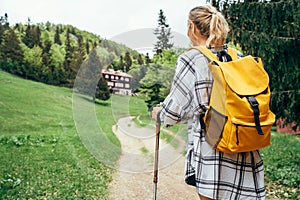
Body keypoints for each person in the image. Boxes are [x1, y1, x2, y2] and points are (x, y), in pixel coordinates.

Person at [152, 4, 265, 200]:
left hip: (214, 151)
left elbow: (174, 111)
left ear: (193, 28)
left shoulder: (192, 58)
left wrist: (159, 114)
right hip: (244, 143)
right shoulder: (237, 57)